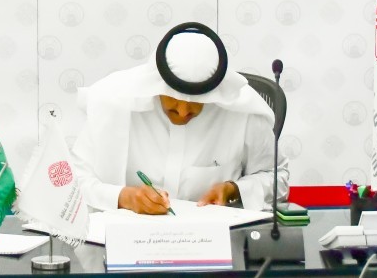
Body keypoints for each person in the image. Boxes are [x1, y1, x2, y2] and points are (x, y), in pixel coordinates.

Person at [71, 21, 289, 215]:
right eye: (173, 98)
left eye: (198, 101)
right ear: (157, 83)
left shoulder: (244, 113)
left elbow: (277, 177)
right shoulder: (113, 104)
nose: (183, 111)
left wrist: (234, 190)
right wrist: (123, 197)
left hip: (214, 239)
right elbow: (74, 182)